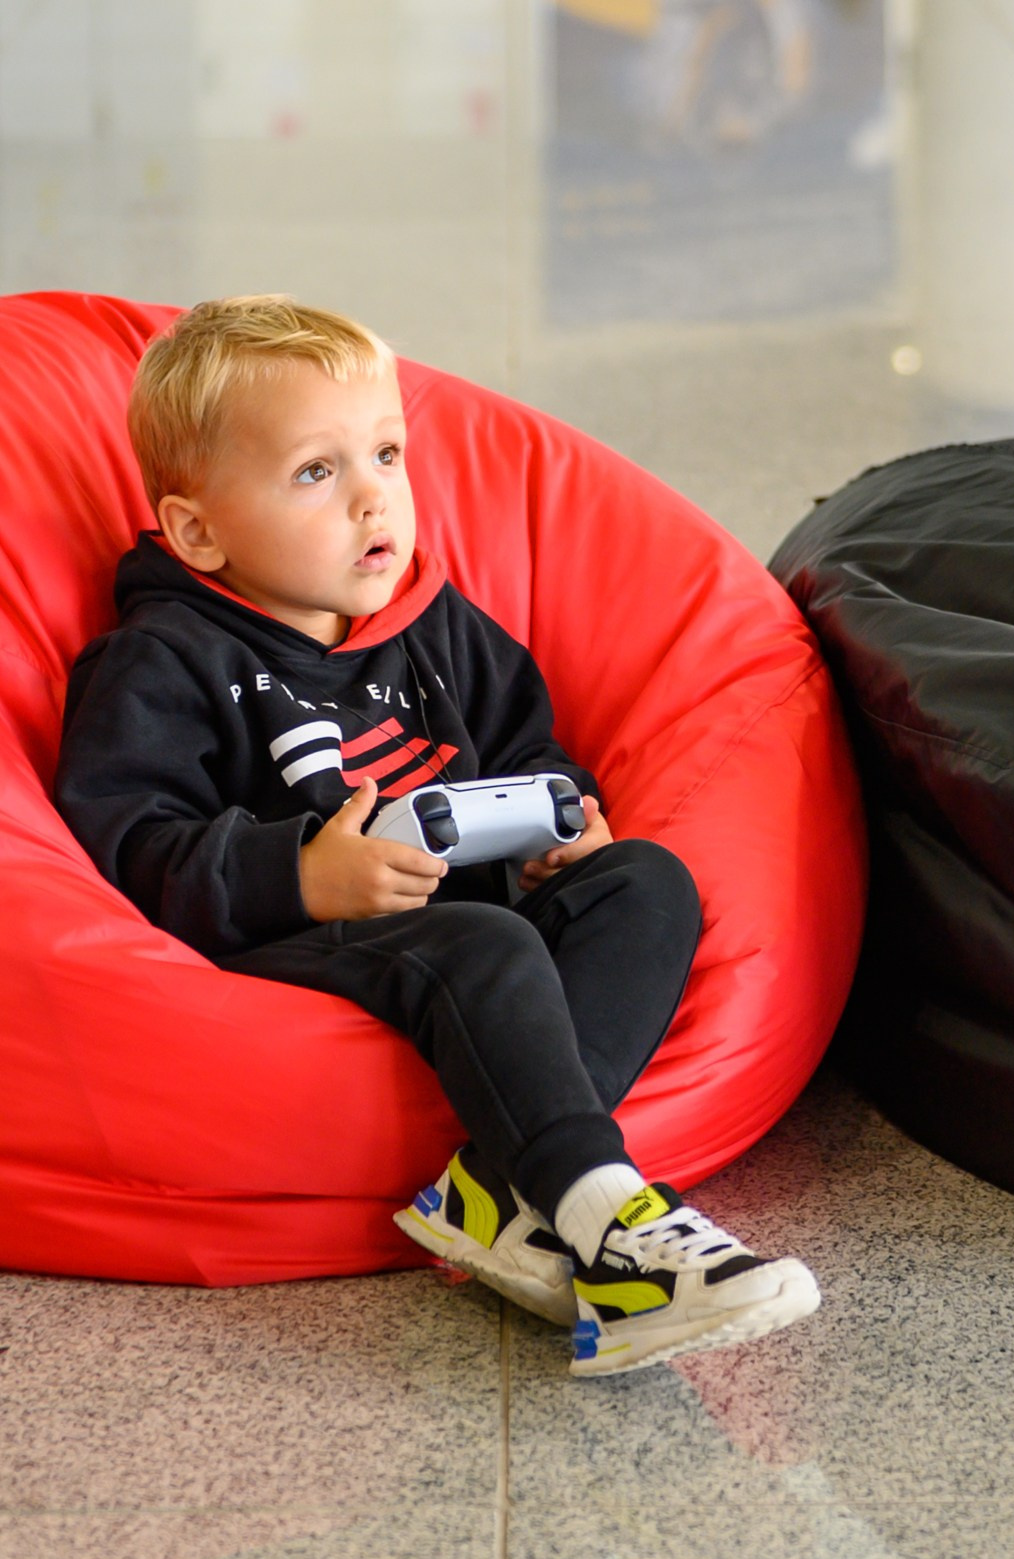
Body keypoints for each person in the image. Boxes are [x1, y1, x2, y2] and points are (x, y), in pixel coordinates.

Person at [54, 295, 819, 1376]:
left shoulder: (436, 630)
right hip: (307, 946)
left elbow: (531, 747)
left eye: (384, 454)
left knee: (647, 880)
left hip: (471, 913)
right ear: (198, 530)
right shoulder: (168, 659)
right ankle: (611, 1222)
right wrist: (302, 875)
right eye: (316, 474)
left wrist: (562, 822)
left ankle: (496, 1192)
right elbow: (127, 842)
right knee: (485, 942)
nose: (374, 497)